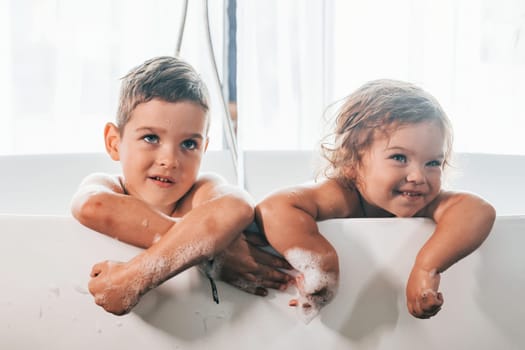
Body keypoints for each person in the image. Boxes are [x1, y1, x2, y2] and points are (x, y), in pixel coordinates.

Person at [256, 79, 496, 320]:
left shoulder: (420, 199)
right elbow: (274, 208)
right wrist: (321, 262)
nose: (417, 176)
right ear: (352, 163)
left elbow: (479, 211)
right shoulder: (342, 195)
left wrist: (427, 267)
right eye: (399, 158)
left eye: (433, 163)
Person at [71, 56, 291, 316]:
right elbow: (91, 205)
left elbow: (237, 206)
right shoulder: (108, 186)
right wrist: (212, 254)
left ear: (204, 148)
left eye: (189, 144)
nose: (169, 160)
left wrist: (135, 275)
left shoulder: (201, 191)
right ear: (114, 142)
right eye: (150, 137)